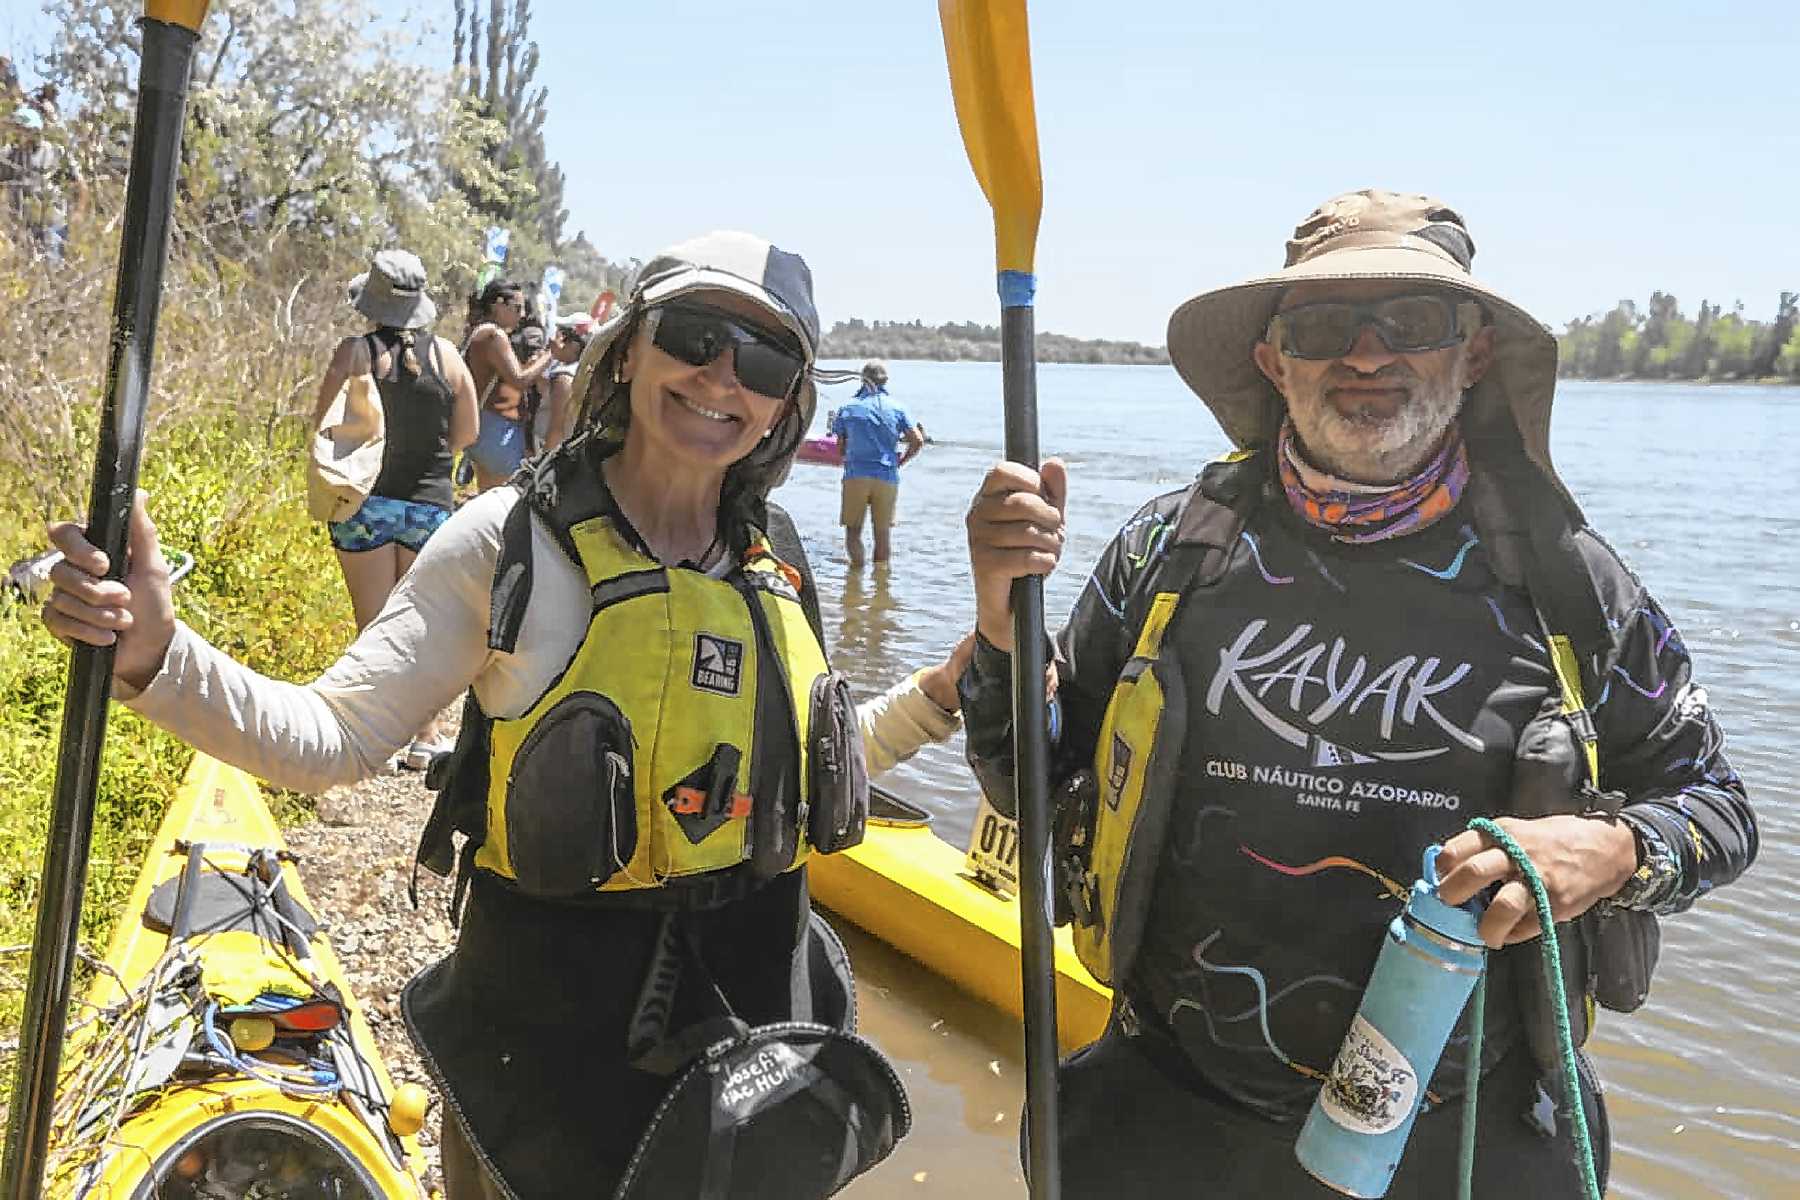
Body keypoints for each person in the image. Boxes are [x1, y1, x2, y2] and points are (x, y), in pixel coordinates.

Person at [42, 231, 977, 1199]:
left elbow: (798, 773)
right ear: (632, 346)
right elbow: (337, 736)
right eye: (695, 337)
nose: (721, 378)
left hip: (747, 1079)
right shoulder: (510, 543)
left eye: (764, 360)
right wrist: (159, 655)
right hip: (549, 1088)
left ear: (789, 398)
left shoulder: (774, 561)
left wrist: (939, 697)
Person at [960, 190, 1758, 1197]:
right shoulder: (1168, 555)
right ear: (1272, 360)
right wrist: (1000, 627)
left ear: (1471, 354)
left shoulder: (1566, 579)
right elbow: (1018, 779)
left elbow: (1721, 810)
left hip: (1459, 1139)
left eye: (1410, 323)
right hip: (1170, 1112)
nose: (1367, 356)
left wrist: (1613, 850)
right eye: (1326, 327)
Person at [314, 249, 478, 770]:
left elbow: (323, 422)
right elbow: (467, 433)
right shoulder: (449, 357)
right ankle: (426, 736)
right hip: (430, 508)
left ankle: (378, 739)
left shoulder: (355, 352)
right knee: (418, 626)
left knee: (373, 625)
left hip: (366, 502)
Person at [460, 279, 554, 491]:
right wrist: (550, 355)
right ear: (498, 305)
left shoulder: (479, 332)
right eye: (517, 308)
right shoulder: (494, 335)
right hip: (498, 429)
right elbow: (519, 380)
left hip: (484, 424)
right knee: (504, 501)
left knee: (486, 495)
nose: (521, 316)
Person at [830, 360, 925, 566]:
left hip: (856, 475)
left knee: (853, 533)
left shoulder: (848, 407)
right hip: (887, 477)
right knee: (882, 536)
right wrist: (901, 461)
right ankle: (881, 585)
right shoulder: (898, 408)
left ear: (862, 380)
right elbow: (917, 440)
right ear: (885, 381)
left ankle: (856, 575)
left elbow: (840, 449)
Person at [538, 310, 594, 453]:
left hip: (549, 450)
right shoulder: (581, 372)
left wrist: (541, 466)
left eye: (562, 335)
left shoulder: (564, 378)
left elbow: (556, 429)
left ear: (574, 345)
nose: (554, 340)